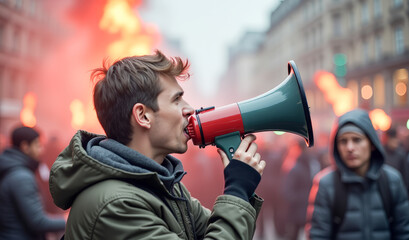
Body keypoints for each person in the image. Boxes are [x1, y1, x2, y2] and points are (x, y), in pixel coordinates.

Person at [49, 50, 266, 239]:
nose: (190, 109)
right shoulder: (116, 205)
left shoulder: (162, 183)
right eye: (176, 100)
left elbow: (215, 230)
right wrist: (237, 189)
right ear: (143, 116)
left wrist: (241, 191)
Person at [306, 109, 409, 239]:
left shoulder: (392, 181)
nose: (350, 147)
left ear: (371, 143)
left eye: (357, 140)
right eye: (343, 141)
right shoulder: (326, 184)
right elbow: (318, 235)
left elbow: (404, 232)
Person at [0, 126, 66, 240]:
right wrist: (68, 220)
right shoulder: (21, 177)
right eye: (38, 145)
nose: (42, 150)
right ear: (25, 146)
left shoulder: (13, 169)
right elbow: (38, 222)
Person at [383, 126, 409, 197]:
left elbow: (405, 175)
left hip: (398, 188)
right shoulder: (382, 153)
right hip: (384, 187)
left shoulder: (401, 154)